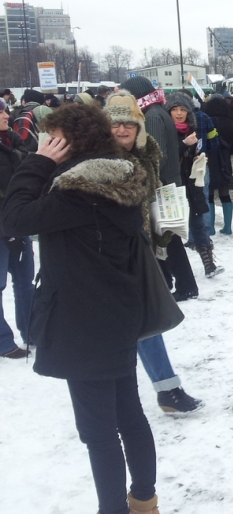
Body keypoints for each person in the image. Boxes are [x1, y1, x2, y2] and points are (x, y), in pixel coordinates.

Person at [0, 103, 161, 514]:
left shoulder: (78, 191)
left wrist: (37, 162)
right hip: (116, 309)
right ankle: (145, 501)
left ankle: (114, 509)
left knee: (99, 432)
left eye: (52, 138)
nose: (46, 144)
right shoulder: (116, 177)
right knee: (129, 415)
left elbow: (13, 218)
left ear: (69, 142)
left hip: (81, 319)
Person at [106, 91, 203, 414]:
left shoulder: (142, 155)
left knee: (142, 322)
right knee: (129, 327)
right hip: (107, 259)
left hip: (136, 251)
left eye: (129, 124)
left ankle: (165, 390)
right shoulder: (98, 162)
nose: (122, 130)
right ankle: (121, 398)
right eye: (115, 124)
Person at [120, 76, 200, 302]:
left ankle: (185, 285)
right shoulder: (156, 111)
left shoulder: (153, 116)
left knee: (167, 238)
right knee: (162, 236)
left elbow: (156, 156)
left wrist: (145, 177)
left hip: (162, 184)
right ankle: (169, 282)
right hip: (165, 182)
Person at [166, 93, 222, 279]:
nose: (179, 113)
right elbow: (165, 158)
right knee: (171, 229)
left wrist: (198, 158)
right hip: (172, 186)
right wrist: (184, 145)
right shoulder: (165, 130)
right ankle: (170, 271)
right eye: (175, 109)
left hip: (191, 183)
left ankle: (209, 264)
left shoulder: (192, 129)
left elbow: (210, 143)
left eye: (183, 109)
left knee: (198, 223)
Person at [0, 98, 32, 359]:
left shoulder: (14, 140)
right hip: (2, 227)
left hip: (20, 221)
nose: (5, 116)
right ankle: (3, 342)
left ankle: (32, 332)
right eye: (0, 113)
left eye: (4, 111)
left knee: (25, 281)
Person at [204, 94, 233, 235]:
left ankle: (210, 228)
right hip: (225, 160)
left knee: (210, 194)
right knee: (225, 193)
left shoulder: (207, 121)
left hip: (209, 160)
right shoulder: (230, 123)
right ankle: (228, 227)